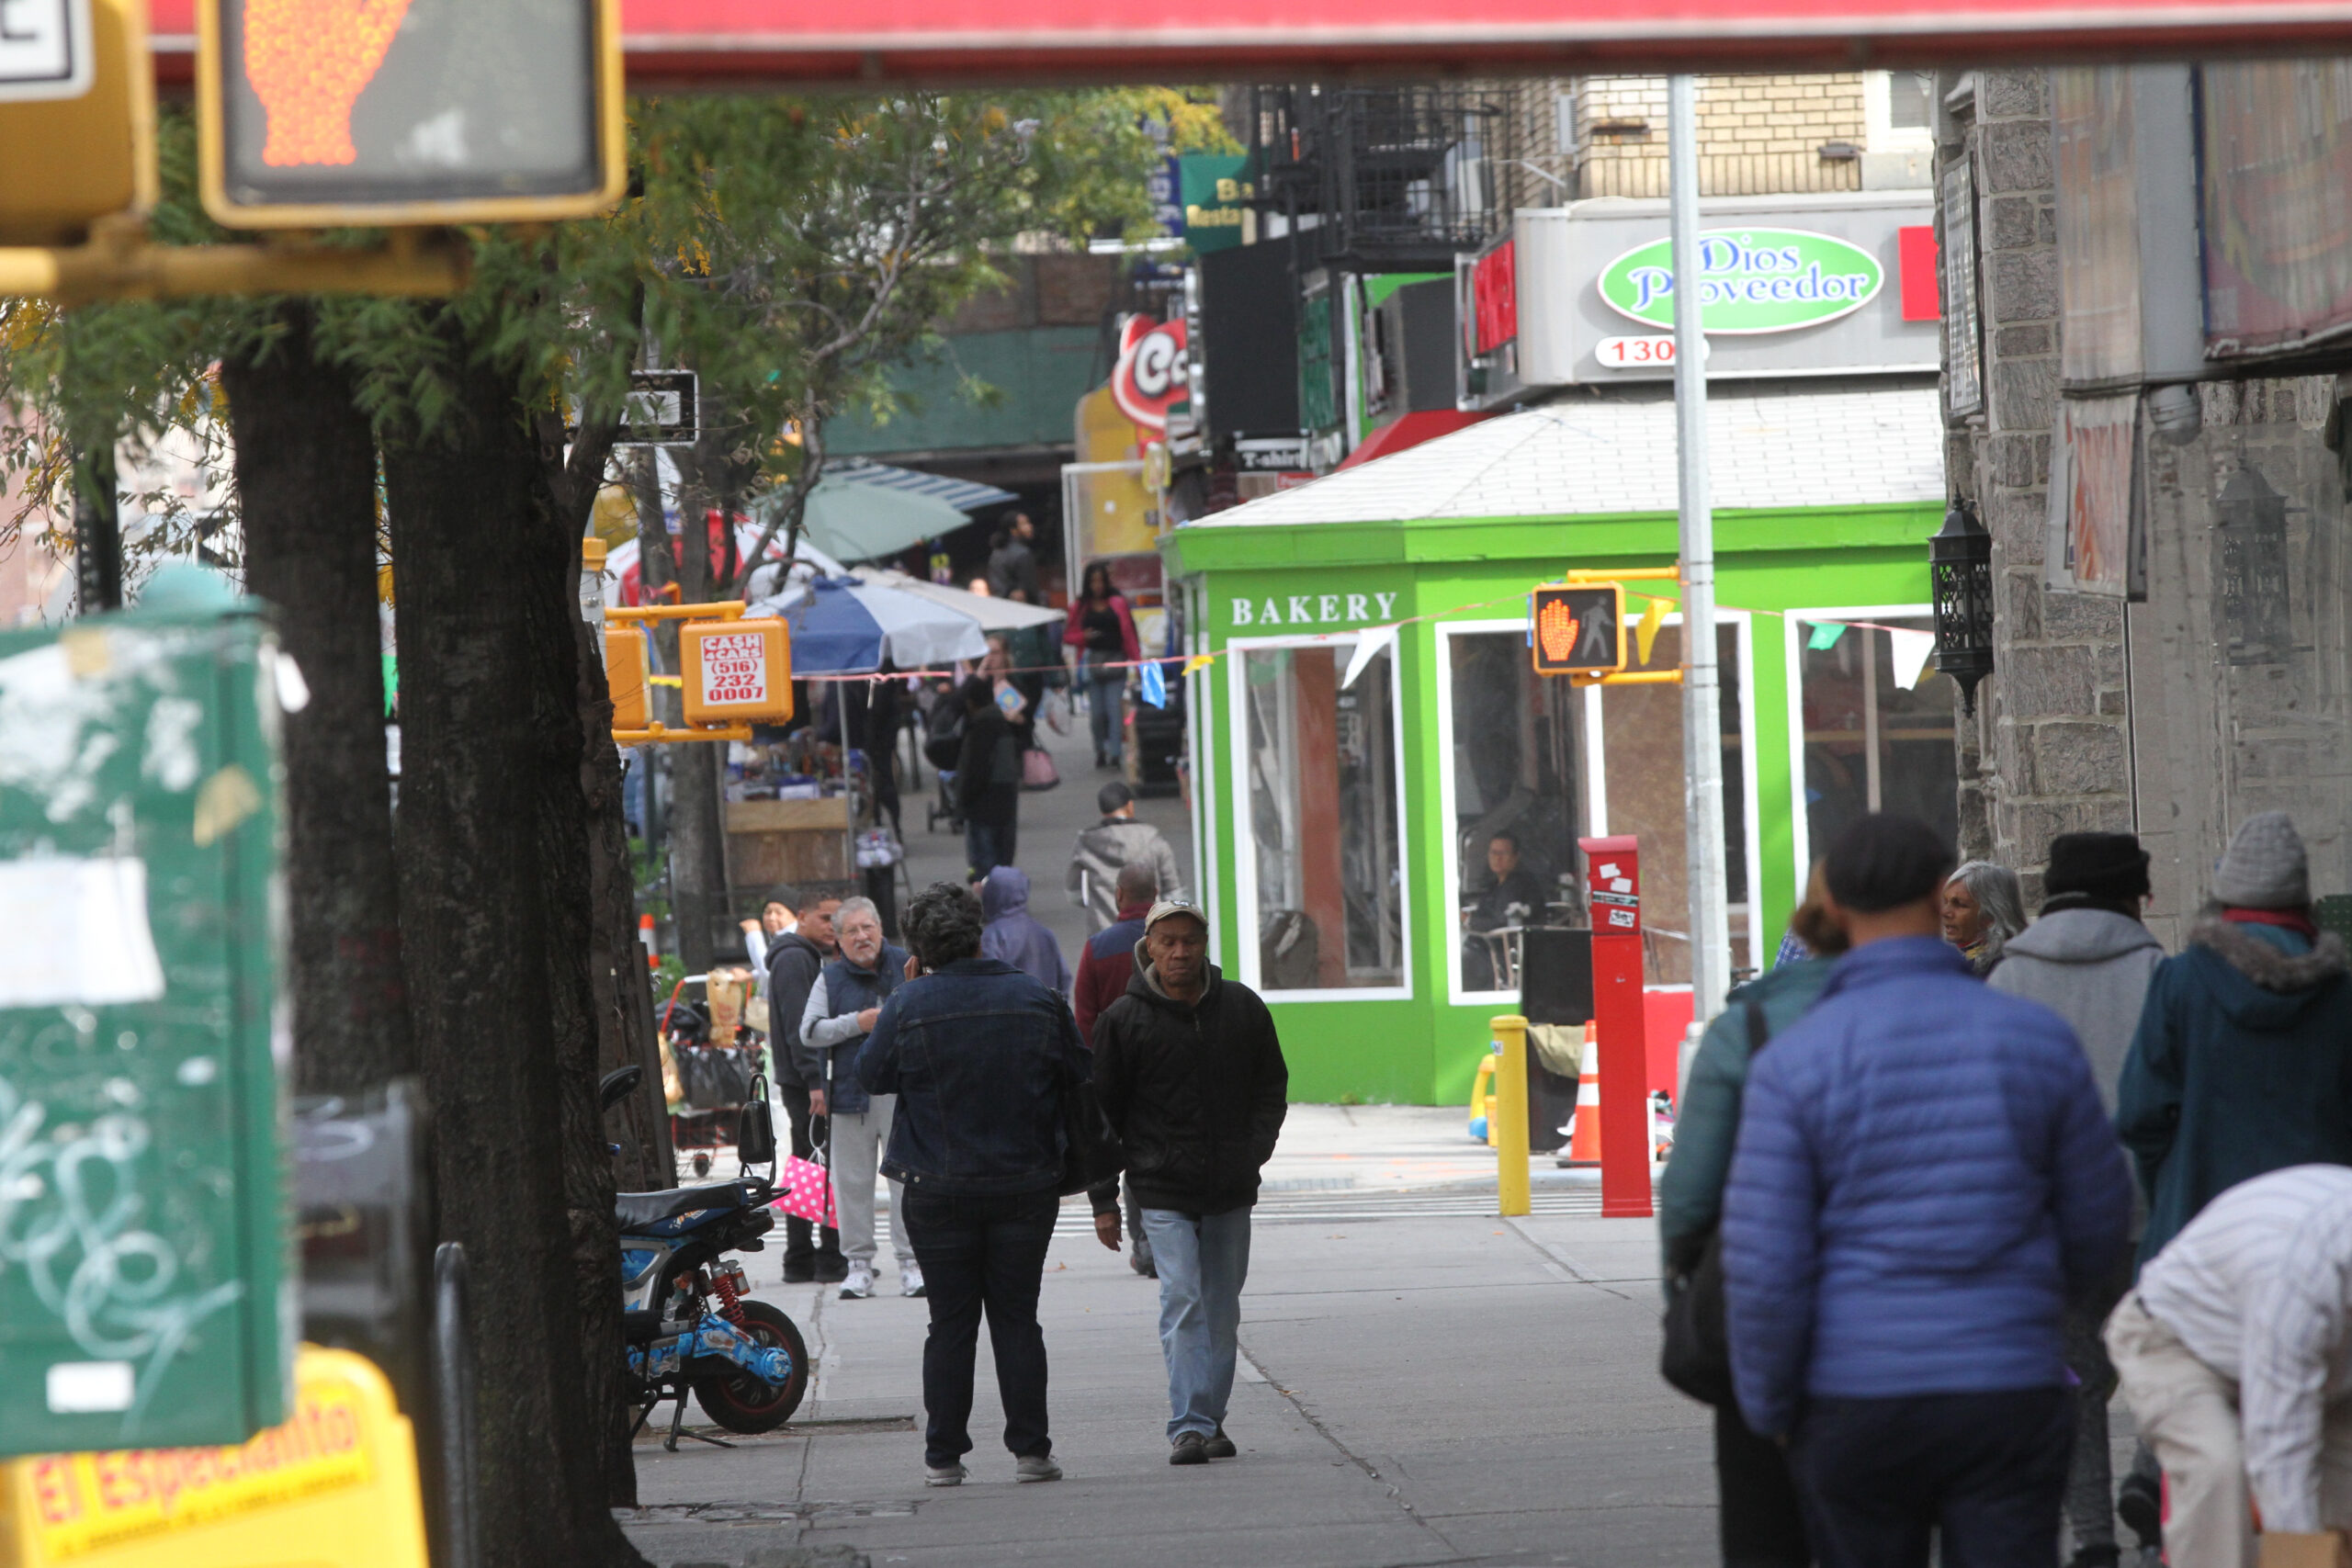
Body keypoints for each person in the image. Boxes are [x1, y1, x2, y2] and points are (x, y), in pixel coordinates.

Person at [1721, 813, 2133, 1568]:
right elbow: (2099, 1223)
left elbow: (1765, 1262)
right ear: (1936, 893)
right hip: (2005, 1385)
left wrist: (1776, 1404)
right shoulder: (2033, 1039)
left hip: (1854, 1393)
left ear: (1835, 908)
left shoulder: (1794, 1061)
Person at [852, 881, 1092, 1487]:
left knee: (950, 1321)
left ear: (919, 945)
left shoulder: (909, 1003)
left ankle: (944, 1455)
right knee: (1017, 1317)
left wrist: (906, 990)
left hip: (936, 1185)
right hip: (1024, 1182)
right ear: (977, 930)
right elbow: (1078, 1071)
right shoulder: (1035, 996)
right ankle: (1031, 1449)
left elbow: (872, 1074)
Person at [1657, 863, 1849, 1568]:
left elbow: (1689, 1194)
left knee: (1765, 1526)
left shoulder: (1754, 1026)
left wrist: (1682, 1292)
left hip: (1774, 1334)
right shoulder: (1981, 1011)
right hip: (1955, 1358)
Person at [1989, 831, 2165, 1568]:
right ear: (2134, 894)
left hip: (2050, 1216)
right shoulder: (2162, 972)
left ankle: (2093, 1537)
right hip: (2150, 1208)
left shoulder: (2005, 980)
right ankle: (2151, 1481)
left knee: (2076, 1381)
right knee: (2170, 1359)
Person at [1088, 900, 1289, 1467]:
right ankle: (1190, 1426)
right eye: (1168, 942)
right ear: (1148, 946)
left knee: (1221, 1307)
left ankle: (1211, 1420)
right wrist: (1104, 1199)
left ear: (1205, 944)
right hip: (1159, 1187)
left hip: (1229, 1186)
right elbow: (1101, 1115)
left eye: (1190, 941)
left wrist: (1253, 1151)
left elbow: (1271, 1085)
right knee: (1183, 1299)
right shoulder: (1123, 1020)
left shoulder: (1242, 1008)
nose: (1180, 952)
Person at [2118, 811, 2352, 1271]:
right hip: (2319, 1236)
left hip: (2201, 1226)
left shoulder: (2181, 982)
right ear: (2301, 898)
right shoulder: (2340, 995)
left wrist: (2171, 1188)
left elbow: (2140, 1113)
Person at [2104, 1165, 2352, 1568]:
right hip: (2174, 1340)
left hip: (2308, 1346)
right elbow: (2281, 1443)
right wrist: (2300, 1556)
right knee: (2219, 1470)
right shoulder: (2299, 1277)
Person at [798, 897, 920, 1302]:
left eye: (868, 927)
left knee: (906, 1181)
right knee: (851, 1185)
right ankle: (858, 1267)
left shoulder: (906, 964)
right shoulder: (830, 979)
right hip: (849, 1096)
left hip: (902, 1093)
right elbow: (809, 1032)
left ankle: (911, 1264)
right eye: (852, 931)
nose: (862, 936)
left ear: (881, 929)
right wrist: (857, 1023)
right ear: (839, 939)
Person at [1072, 861, 1162, 1281]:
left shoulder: (1098, 947)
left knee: (1119, 1152)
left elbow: (1085, 1017)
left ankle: (1142, 1243)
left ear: (1119, 896)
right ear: (1156, 895)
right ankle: (1157, 1241)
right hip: (1164, 1068)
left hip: (1112, 1071)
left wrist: (1096, 1065)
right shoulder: (1172, 943)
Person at [763, 889, 846, 1284]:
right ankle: (824, 1258)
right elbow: (801, 1028)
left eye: (837, 918)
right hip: (807, 1083)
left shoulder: (801, 955)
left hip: (801, 1079)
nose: (834, 926)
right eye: (826, 918)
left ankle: (804, 1258)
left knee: (810, 1168)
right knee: (821, 1168)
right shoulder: (796, 958)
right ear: (802, 916)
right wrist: (816, 1083)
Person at [1067, 780, 1184, 931]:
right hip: (1150, 933)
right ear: (1130, 806)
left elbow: (1074, 894)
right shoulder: (1153, 840)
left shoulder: (1085, 843)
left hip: (1103, 933)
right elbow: (1175, 893)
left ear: (1103, 811)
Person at [1063, 562, 1141, 771]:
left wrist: (1139, 666)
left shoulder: (1117, 602)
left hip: (1116, 660)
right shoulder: (1080, 607)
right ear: (1087, 583)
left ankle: (1116, 754)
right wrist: (1083, 636)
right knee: (1097, 714)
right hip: (1091, 664)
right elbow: (1067, 636)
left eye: (1100, 580)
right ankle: (1100, 750)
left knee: (1115, 710)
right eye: (1093, 581)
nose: (1097, 585)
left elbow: (1129, 636)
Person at [954, 674, 1022, 880]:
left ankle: (990, 905)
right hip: (1006, 805)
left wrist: (962, 803)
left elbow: (974, 773)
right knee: (1003, 862)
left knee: (984, 866)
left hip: (982, 808)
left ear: (971, 703)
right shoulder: (1003, 726)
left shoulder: (980, 730)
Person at [1462, 829, 1547, 989]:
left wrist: (1469, 920)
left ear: (1516, 856)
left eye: (1503, 853)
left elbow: (1502, 923)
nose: (1497, 858)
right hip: (1485, 949)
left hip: (1499, 956)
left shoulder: (1518, 885)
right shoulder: (1495, 884)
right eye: (1493, 852)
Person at [978, 865, 1071, 997]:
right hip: (1045, 1008)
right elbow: (1064, 976)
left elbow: (988, 979)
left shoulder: (992, 935)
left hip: (1011, 1009)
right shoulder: (1044, 933)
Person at [1941, 859, 2024, 975]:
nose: (1945, 913)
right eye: (1945, 902)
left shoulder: (2008, 970)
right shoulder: (1943, 960)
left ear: (1991, 914)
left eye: (1960, 905)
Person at [987, 513, 1042, 604]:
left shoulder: (996, 553)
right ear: (1013, 530)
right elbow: (1030, 588)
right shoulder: (1023, 554)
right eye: (1025, 524)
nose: (1030, 526)